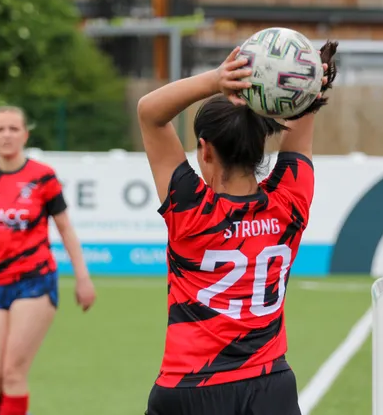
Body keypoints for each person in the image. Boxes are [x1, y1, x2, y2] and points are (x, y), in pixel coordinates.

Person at [138, 41, 338, 415]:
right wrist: (309, 85)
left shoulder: (191, 208)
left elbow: (150, 113)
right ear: (261, 144)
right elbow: (300, 135)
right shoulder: (289, 203)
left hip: (187, 389)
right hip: (269, 388)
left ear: (204, 149)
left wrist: (217, 80)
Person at [0, 105, 97, 415]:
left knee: (12, 373)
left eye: (13, 129)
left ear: (25, 134)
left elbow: (65, 229)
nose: (6, 135)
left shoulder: (42, 176)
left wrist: (82, 277)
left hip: (34, 282)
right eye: (0, 129)